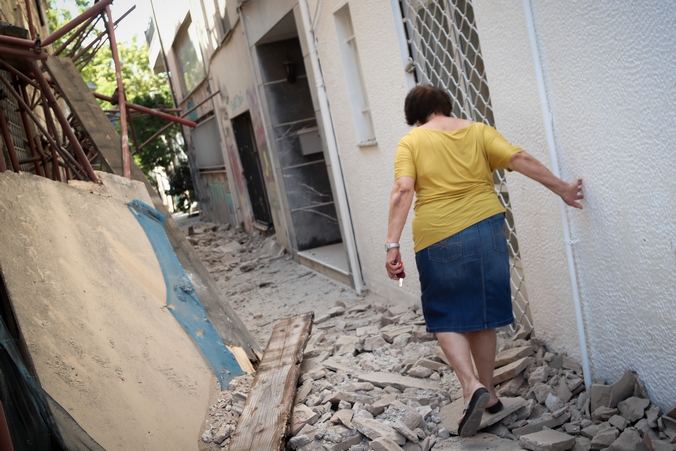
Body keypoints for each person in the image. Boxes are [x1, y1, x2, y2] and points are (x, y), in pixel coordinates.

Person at [385, 85, 583, 437]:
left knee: (445, 313)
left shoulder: (412, 141)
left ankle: (469, 385)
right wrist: (562, 188)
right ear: (445, 106)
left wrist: (391, 244)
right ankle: (489, 392)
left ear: (415, 116)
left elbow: (403, 190)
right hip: (485, 230)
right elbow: (518, 159)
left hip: (438, 235)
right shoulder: (478, 131)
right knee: (483, 313)